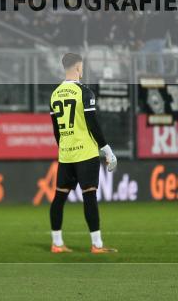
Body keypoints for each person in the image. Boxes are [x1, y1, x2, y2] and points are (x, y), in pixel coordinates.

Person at [48, 52, 118, 254]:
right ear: (78, 68)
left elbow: (56, 130)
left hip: (66, 154)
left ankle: (57, 243)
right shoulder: (84, 93)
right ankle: (97, 245)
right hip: (86, 154)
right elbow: (92, 123)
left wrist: (64, 148)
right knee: (89, 196)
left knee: (59, 198)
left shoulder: (55, 94)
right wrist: (107, 150)